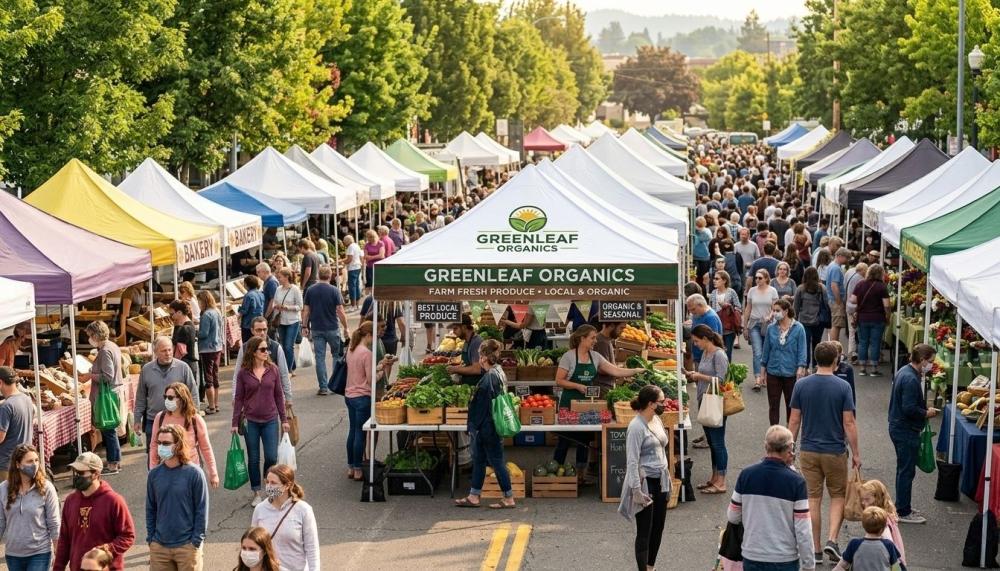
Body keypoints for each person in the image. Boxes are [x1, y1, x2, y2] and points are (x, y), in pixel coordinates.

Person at [788, 342, 861, 564]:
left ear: (815, 359)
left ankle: (816, 549)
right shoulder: (843, 387)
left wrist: (790, 447)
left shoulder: (801, 385)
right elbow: (848, 422)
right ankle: (832, 540)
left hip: (809, 450)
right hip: (835, 450)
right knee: (838, 495)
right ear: (836, 360)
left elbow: (794, 419)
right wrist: (856, 453)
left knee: (813, 498)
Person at [553, 325, 645, 483]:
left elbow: (615, 371)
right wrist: (577, 386)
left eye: (595, 337)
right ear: (582, 338)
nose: (595, 340)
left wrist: (636, 370)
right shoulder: (568, 357)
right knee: (565, 438)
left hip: (587, 403)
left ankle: (580, 475)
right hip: (569, 402)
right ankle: (555, 471)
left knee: (583, 439)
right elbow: (559, 380)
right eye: (592, 338)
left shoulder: (595, 357)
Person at [728, 425, 814, 570]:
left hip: (752, 555)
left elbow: (733, 516)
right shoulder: (796, 482)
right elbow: (803, 530)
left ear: (766, 446)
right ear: (789, 449)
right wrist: (808, 565)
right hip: (784, 559)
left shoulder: (746, 475)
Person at [455, 340, 517, 509]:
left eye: (479, 357)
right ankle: (474, 496)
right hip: (492, 424)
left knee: (496, 462)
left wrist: (473, 427)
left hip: (486, 427)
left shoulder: (488, 378)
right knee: (480, 461)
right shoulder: (499, 372)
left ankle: (509, 498)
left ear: (483, 357)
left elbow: (481, 408)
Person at [617, 385, 671, 571]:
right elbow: (631, 461)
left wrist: (668, 481)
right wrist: (636, 491)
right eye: (661, 402)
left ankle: (651, 567)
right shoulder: (636, 427)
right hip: (645, 483)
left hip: (661, 480)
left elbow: (662, 451)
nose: (665, 404)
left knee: (658, 528)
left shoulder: (656, 419)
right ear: (651, 404)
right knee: (644, 532)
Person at [233, 336, 289, 506]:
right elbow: (239, 398)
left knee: (271, 457)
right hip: (251, 421)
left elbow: (279, 395)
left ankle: (269, 486)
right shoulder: (244, 373)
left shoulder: (273, 370)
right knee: (254, 458)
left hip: (271, 419)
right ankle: (257, 492)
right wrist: (235, 423)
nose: (266, 352)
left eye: (267, 349)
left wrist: (284, 419)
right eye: (263, 349)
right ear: (253, 352)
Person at [53, 453, 135, 571]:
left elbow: (128, 536)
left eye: (81, 473)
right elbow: (65, 539)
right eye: (75, 472)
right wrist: (58, 567)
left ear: (96, 474)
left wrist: (107, 549)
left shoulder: (114, 501)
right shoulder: (70, 501)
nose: (76, 476)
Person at [888, 344, 939, 524]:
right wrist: (926, 413)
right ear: (922, 359)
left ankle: (902, 504)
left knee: (903, 469)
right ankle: (903, 511)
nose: (931, 365)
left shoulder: (905, 371)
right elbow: (909, 408)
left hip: (898, 426)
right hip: (905, 429)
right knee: (906, 470)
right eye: (930, 361)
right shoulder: (910, 379)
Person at [146, 424, 208, 570]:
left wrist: (195, 542)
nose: (161, 447)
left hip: (187, 547)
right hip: (159, 547)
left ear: (178, 444)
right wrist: (151, 539)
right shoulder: (154, 475)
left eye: (166, 443)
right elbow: (151, 508)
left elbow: (201, 510)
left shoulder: (195, 474)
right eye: (159, 443)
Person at [685, 325, 730, 494]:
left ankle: (722, 481)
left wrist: (699, 376)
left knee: (718, 443)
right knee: (711, 442)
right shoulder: (705, 353)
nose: (695, 344)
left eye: (696, 341)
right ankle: (714, 477)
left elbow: (721, 380)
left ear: (705, 338)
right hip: (704, 400)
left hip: (715, 402)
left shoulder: (719, 355)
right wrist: (693, 375)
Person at [0, 444, 60, 571]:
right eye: (29, 461)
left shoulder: (46, 488)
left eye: (36, 460)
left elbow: (54, 522)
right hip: (13, 554)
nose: (34, 464)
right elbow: (0, 522)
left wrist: (58, 550)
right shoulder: (3, 489)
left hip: (40, 552)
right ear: (17, 464)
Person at [344, 322, 392, 480]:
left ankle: (351, 467)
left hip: (350, 395)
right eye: (374, 334)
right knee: (361, 434)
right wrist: (382, 370)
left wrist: (378, 366)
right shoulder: (366, 353)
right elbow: (371, 379)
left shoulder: (351, 350)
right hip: (363, 397)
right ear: (368, 335)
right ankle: (358, 468)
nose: (375, 338)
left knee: (352, 431)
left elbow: (360, 372)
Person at [134, 337, 199, 453]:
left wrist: (195, 416)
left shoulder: (183, 367)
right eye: (164, 351)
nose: (168, 353)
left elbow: (193, 392)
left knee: (180, 454)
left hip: (178, 419)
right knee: (154, 454)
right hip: (153, 420)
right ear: (155, 352)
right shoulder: (147, 370)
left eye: (170, 350)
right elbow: (141, 396)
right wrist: (137, 419)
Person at [149, 383, 219, 488]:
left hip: (190, 473)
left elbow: (206, 448)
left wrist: (213, 473)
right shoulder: (160, 417)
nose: (167, 400)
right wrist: (153, 471)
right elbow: (154, 445)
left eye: (170, 397)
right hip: (166, 472)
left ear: (182, 399)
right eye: (165, 397)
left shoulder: (195, 419)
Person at [251, 465, 319, 570]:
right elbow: (253, 543)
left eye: (273, 483)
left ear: (287, 485)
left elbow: (312, 548)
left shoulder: (304, 510)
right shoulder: (260, 509)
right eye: (267, 482)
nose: (269, 486)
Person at [82, 322, 125, 474]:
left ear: (95, 335)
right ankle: (115, 461)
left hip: (107, 395)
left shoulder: (105, 350)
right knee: (110, 429)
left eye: (89, 336)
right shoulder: (112, 346)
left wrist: (90, 375)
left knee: (108, 430)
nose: (89, 339)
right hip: (112, 392)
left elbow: (107, 376)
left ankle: (113, 463)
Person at [302, 266, 349, 395]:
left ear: (318, 275)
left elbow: (306, 310)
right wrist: (346, 327)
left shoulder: (310, 290)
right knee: (336, 355)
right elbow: (340, 310)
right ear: (330, 276)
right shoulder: (334, 290)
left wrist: (304, 326)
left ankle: (323, 386)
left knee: (320, 358)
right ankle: (334, 384)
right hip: (333, 327)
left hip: (317, 328)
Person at [761, 299, 808, 426]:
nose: (775, 313)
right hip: (773, 372)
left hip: (791, 373)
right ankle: (774, 434)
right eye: (773, 310)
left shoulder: (799, 328)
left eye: (777, 311)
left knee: (791, 405)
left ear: (786, 311)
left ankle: (789, 435)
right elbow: (765, 352)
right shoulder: (771, 328)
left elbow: (802, 350)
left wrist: (801, 367)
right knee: (773, 405)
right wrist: (762, 374)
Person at [232, 318, 292, 406]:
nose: (262, 333)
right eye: (258, 330)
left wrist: (288, 397)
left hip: (272, 399)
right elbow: (237, 374)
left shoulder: (276, 348)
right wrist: (235, 396)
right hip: (250, 398)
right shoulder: (244, 348)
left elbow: (284, 374)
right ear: (252, 331)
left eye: (264, 329)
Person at [851, 264, 890, 377]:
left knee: (863, 342)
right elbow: (886, 305)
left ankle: (862, 368)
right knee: (875, 343)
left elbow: (853, 300)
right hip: (878, 318)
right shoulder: (882, 287)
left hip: (862, 318)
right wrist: (888, 316)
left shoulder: (860, 284)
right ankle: (874, 369)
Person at [832, 507, 902, 571]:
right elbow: (896, 569)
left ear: (863, 525)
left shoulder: (854, 544)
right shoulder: (888, 545)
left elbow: (841, 566)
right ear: (882, 529)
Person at [744, 270, 779, 391]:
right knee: (757, 352)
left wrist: (770, 316)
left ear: (766, 279)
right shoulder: (752, 291)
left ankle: (766, 375)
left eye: (760, 278)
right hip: (754, 323)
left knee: (767, 351)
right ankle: (758, 378)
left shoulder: (772, 291)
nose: (757, 280)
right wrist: (745, 326)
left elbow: (775, 308)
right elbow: (748, 308)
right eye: (756, 278)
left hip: (768, 325)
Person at [859, 479, 906, 567]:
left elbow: (888, 541)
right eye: (862, 499)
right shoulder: (884, 516)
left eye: (867, 500)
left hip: (891, 562)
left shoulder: (882, 521)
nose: (863, 503)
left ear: (877, 499)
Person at [0, 367, 35, 472]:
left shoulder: (6, 406)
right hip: (24, 460)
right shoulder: (27, 399)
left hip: (7, 464)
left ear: (0, 382)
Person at [795, 267, 829, 370]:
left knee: (805, 345)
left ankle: (805, 367)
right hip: (818, 321)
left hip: (804, 321)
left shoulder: (801, 289)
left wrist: (795, 320)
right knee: (817, 344)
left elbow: (796, 306)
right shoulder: (822, 288)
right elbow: (826, 304)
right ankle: (816, 366)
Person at [196, 291, 224, 415]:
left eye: (199, 301)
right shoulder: (217, 311)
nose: (199, 304)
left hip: (207, 348)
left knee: (208, 377)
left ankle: (211, 406)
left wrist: (195, 331)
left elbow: (203, 333)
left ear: (203, 301)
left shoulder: (206, 315)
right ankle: (216, 404)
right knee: (215, 375)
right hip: (217, 347)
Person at [272, 268, 303, 376]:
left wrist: (286, 307)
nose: (278, 279)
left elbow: (300, 306)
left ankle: (288, 370)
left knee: (288, 346)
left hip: (293, 321)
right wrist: (276, 307)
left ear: (286, 277)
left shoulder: (295, 289)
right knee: (283, 345)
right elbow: (274, 302)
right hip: (281, 321)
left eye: (280, 277)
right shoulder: (278, 289)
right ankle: (292, 366)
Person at [708, 270, 742, 360]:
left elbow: (739, 307)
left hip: (728, 328)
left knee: (727, 354)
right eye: (714, 279)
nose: (714, 281)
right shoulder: (713, 293)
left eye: (717, 279)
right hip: (715, 328)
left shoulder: (731, 292)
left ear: (724, 280)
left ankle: (726, 373)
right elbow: (710, 309)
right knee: (716, 353)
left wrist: (728, 306)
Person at [169, 299, 200, 394]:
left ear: (179, 312)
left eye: (172, 314)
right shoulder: (189, 325)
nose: (171, 317)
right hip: (190, 364)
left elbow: (178, 351)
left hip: (186, 365)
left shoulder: (185, 329)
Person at [445, 314, 483, 386]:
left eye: (455, 328)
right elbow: (465, 365)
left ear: (464, 327)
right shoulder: (467, 341)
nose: (453, 332)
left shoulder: (476, 342)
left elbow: (477, 369)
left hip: (475, 386)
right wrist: (453, 368)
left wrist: (455, 370)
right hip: (467, 384)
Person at [844, 261, 869, 363]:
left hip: (848, 306)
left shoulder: (849, 272)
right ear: (863, 270)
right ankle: (858, 353)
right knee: (859, 331)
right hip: (856, 308)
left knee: (851, 331)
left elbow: (844, 285)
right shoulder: (861, 280)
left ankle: (852, 352)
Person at [594, 320, 626, 394]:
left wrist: (618, 367)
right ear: (612, 325)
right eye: (621, 328)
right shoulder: (601, 342)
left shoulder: (606, 340)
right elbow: (603, 369)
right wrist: (621, 370)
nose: (622, 331)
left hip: (605, 385)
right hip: (602, 387)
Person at [826, 248, 850, 344]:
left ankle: (834, 345)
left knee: (835, 324)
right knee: (836, 325)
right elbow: (834, 285)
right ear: (840, 256)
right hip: (835, 300)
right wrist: (839, 301)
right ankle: (834, 346)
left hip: (832, 299)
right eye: (846, 258)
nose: (847, 260)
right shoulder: (836, 268)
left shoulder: (832, 266)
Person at [239, 275, 265, 343]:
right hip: (258, 322)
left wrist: (238, 313)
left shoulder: (248, 295)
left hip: (248, 324)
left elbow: (244, 310)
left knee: (247, 344)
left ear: (247, 284)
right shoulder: (261, 294)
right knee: (257, 343)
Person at [343, 235, 363, 310]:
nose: (344, 243)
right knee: (357, 286)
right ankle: (357, 305)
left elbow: (349, 259)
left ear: (347, 241)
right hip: (358, 267)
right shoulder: (356, 245)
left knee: (352, 287)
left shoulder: (350, 247)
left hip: (352, 268)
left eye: (344, 241)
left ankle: (353, 305)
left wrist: (342, 262)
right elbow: (361, 257)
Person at [693, 216, 713, 286]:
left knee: (702, 277)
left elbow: (697, 241)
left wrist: (698, 232)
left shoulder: (706, 232)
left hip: (703, 257)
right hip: (697, 257)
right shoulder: (695, 232)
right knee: (696, 276)